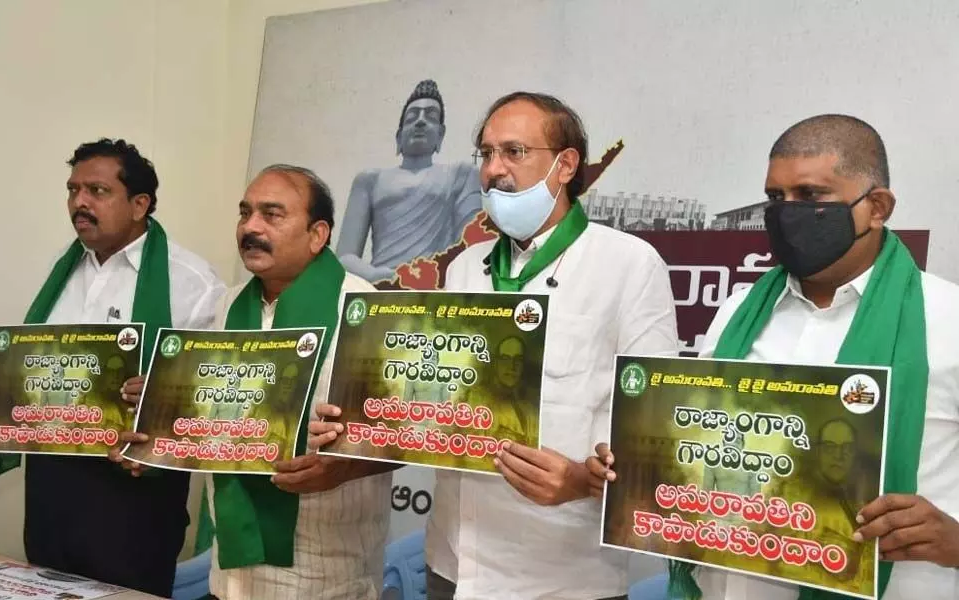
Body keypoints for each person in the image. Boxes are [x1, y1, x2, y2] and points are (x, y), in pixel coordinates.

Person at [314, 91, 679, 599]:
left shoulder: (630, 265)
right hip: (451, 562)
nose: (494, 170)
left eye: (514, 152)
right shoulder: (466, 267)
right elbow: (434, 395)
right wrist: (359, 419)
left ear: (566, 165)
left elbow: (655, 440)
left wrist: (578, 480)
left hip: (563, 576)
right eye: (485, 154)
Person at [589, 115, 959, 599]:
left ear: (877, 207)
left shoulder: (946, 320)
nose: (787, 214)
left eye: (811, 197)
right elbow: (697, 447)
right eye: (776, 198)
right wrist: (635, 470)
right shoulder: (737, 313)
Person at [117, 164, 397, 599]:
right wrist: (157, 429)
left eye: (272, 214)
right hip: (230, 573)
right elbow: (218, 411)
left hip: (327, 573)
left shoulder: (364, 309)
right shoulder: (228, 305)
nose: (250, 227)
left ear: (317, 234)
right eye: (245, 212)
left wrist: (341, 468)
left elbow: (412, 438)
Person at [0, 138, 226, 597]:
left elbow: (218, 399)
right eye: (73, 189)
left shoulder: (193, 284)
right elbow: (39, 374)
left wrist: (165, 393)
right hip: (52, 495)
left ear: (139, 204)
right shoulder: (60, 271)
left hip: (134, 501)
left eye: (97, 191)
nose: (79, 202)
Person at [336, 79, 482, 282]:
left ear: (440, 135)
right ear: (399, 136)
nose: (420, 121)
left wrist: (437, 278)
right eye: (412, 117)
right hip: (381, 288)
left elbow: (472, 247)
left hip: (437, 288)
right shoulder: (370, 180)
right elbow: (344, 257)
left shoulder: (462, 174)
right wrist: (375, 276)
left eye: (430, 117)